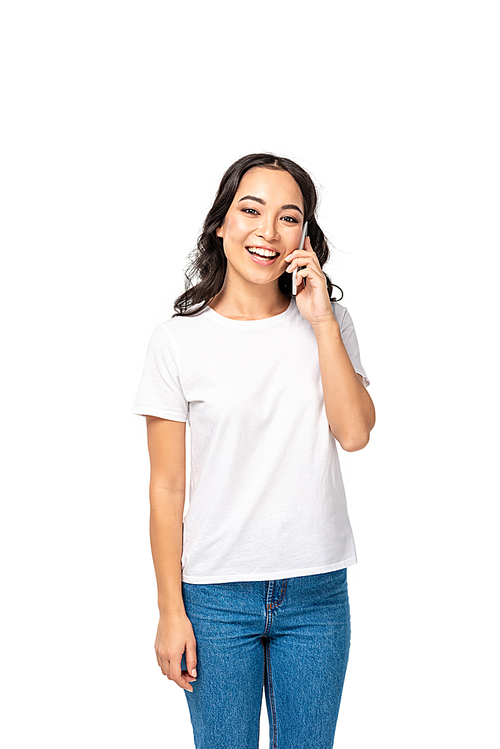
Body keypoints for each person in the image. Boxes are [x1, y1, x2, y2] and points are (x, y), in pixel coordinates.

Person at [132, 152, 376, 749]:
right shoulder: (177, 341)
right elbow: (166, 488)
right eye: (251, 210)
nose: (268, 232)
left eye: (288, 217)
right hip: (215, 599)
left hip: (316, 592)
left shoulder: (331, 321)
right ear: (221, 224)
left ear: (305, 236)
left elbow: (356, 433)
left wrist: (320, 320)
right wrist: (170, 611)